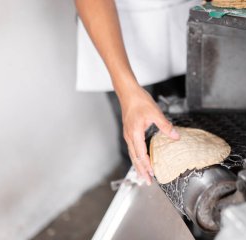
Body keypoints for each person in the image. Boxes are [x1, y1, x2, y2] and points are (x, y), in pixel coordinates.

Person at [75, 0, 198, 185]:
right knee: (141, 148)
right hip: (119, 32)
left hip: (194, 17)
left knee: (199, 133)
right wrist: (127, 90)